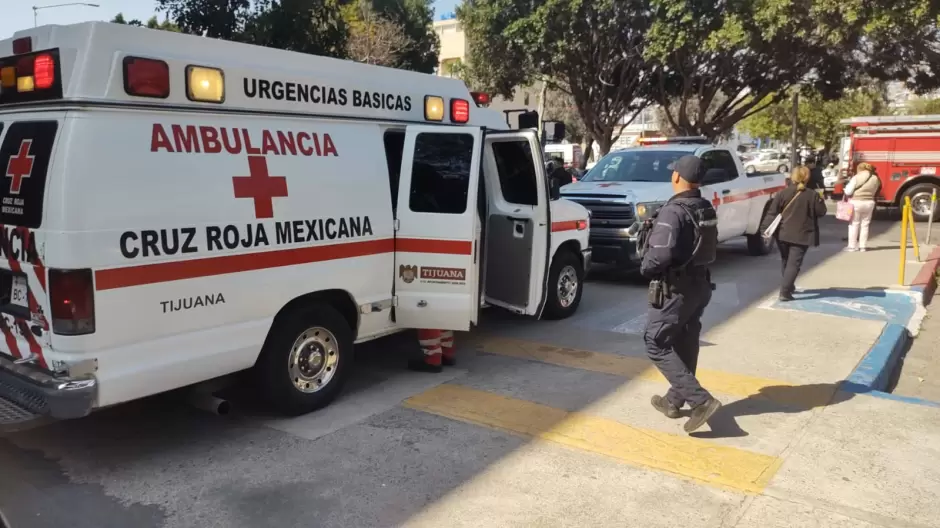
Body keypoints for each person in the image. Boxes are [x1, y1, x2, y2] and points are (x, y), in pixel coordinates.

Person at [640, 155, 723, 433]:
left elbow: (660, 255)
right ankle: (673, 400)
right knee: (687, 342)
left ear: (676, 177)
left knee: (656, 342)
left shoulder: (673, 211)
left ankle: (701, 401)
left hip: (676, 289)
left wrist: (645, 266)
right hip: (700, 285)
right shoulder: (705, 206)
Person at [761, 166, 828, 301]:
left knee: (786, 261)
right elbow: (821, 212)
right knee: (794, 264)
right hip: (802, 234)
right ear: (807, 178)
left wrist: (764, 229)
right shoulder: (812, 195)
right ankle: (785, 291)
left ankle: (788, 285)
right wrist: (821, 198)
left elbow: (772, 213)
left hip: (782, 233)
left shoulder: (782, 193)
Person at [844, 162, 881, 252]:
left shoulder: (856, 177)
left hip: (856, 202)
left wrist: (845, 189)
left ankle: (852, 246)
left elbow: (848, 192)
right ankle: (862, 246)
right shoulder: (875, 178)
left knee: (854, 224)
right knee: (865, 225)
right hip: (869, 202)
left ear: (859, 169)